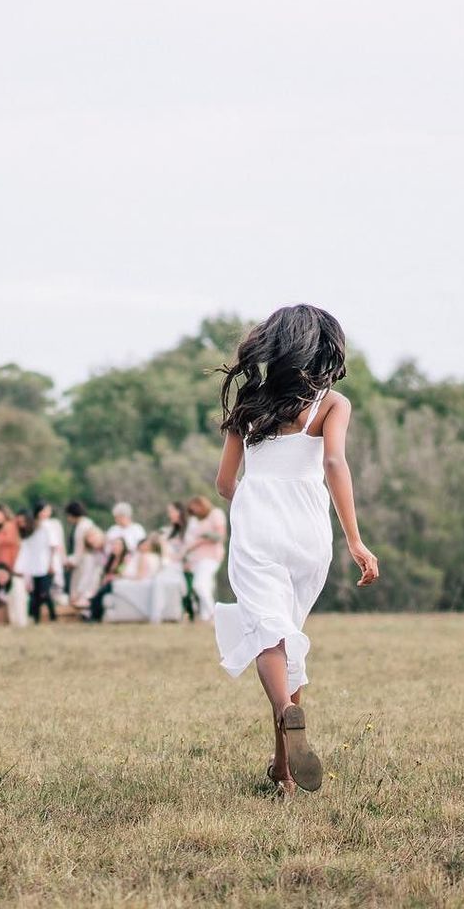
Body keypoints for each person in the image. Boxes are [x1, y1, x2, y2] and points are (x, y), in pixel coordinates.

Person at [213, 304, 380, 798]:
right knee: (289, 636)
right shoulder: (333, 404)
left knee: (271, 636)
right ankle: (283, 769)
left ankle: (288, 714)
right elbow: (334, 462)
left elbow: (225, 483)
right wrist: (355, 539)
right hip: (309, 529)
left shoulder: (248, 402)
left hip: (258, 521)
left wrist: (251, 496)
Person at [184, 496, 228, 622]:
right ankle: (206, 617)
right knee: (207, 586)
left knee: (200, 585)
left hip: (211, 556)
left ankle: (214, 614)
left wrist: (203, 538)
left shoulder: (215, 514)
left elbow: (221, 536)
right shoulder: (196, 520)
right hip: (197, 558)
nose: (194, 512)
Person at [14, 509, 55, 623]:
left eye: (23, 521)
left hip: (44, 566)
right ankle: (36, 619)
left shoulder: (42, 529)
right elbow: (24, 552)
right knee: (35, 595)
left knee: (44, 593)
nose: (22, 524)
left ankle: (53, 616)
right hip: (32, 568)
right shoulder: (25, 535)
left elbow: (52, 546)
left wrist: (51, 564)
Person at [82, 537, 129, 622]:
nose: (115, 546)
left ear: (123, 547)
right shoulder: (110, 559)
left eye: (118, 545)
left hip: (117, 583)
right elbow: (104, 573)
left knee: (100, 593)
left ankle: (94, 615)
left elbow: (122, 573)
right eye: (114, 544)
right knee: (98, 589)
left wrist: (111, 578)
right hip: (107, 583)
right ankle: (91, 612)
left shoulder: (126, 559)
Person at [160, 502, 194, 621]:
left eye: (171, 511)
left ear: (179, 512)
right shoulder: (170, 531)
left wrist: (181, 558)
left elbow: (188, 547)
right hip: (172, 564)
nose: (169, 515)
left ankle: (188, 611)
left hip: (185, 563)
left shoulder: (189, 529)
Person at [64, 501, 95, 606]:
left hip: (84, 560)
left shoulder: (82, 526)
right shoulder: (87, 523)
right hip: (85, 559)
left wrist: (72, 561)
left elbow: (80, 548)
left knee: (81, 585)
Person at [34, 501, 67, 597]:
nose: (45, 513)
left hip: (52, 559)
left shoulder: (54, 524)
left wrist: (62, 558)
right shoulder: (34, 525)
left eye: (47, 511)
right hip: (38, 560)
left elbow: (59, 544)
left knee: (55, 585)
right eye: (43, 511)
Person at [71, 526, 106, 608]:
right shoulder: (94, 554)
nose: (91, 541)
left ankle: (85, 596)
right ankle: (83, 596)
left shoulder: (109, 546)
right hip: (99, 576)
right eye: (89, 540)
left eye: (93, 537)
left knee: (96, 572)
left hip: (107, 574)